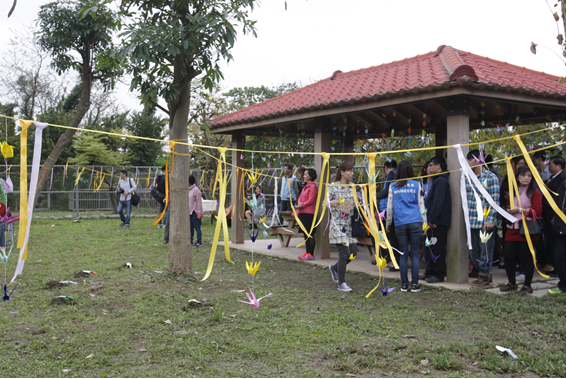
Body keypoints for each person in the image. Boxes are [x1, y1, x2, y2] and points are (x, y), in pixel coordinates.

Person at [499, 166, 543, 295]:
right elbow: (508, 206)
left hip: (527, 229)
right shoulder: (513, 191)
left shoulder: (534, 192)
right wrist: (506, 211)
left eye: (529, 176)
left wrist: (519, 210)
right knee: (508, 256)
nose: (526, 178)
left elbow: (537, 211)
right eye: (524, 175)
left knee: (526, 258)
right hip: (512, 228)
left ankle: (527, 285)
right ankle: (511, 283)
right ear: (517, 177)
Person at [386, 160, 427, 293]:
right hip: (416, 221)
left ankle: (404, 284)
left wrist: (388, 222)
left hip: (400, 223)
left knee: (403, 254)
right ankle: (415, 284)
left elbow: (389, 207)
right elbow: (422, 205)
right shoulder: (417, 184)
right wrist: (424, 223)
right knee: (415, 253)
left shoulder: (393, 186)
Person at [466, 149, 500, 287]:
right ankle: (482, 273)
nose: (467, 163)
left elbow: (495, 200)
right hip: (471, 221)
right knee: (473, 252)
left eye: (469, 160)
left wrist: (490, 219)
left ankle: (484, 276)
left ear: (476, 160)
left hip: (485, 222)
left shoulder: (491, 177)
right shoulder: (467, 178)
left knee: (485, 251)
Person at [328, 162, 358, 292]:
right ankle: (341, 283)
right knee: (344, 253)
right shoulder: (332, 186)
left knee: (353, 253)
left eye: (352, 171)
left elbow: (354, 205)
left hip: (350, 227)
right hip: (337, 226)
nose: (352, 173)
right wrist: (330, 203)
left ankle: (335, 268)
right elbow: (325, 202)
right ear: (342, 172)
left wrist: (345, 205)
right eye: (349, 171)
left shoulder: (353, 187)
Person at [422, 156, 451, 283]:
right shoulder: (437, 180)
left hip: (437, 222)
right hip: (432, 220)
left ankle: (439, 273)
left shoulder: (441, 181)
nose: (429, 168)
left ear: (438, 166)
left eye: (431, 165)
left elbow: (438, 202)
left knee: (437, 247)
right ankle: (431, 271)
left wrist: (433, 220)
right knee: (431, 247)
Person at [544, 155, 566, 283]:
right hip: (552, 218)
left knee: (558, 248)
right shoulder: (552, 178)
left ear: (559, 166)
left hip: (558, 219)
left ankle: (559, 271)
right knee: (552, 244)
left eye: (551, 164)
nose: (549, 167)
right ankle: (556, 268)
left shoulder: (563, 179)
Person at [376, 159, 400, 271]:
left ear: (386, 167)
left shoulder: (391, 174)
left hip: (387, 210)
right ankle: (389, 257)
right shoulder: (398, 174)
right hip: (390, 209)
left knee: (384, 235)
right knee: (390, 236)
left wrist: (376, 196)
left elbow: (389, 190)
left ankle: (389, 258)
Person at [295, 168, 318, 261]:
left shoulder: (313, 187)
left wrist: (302, 205)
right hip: (303, 213)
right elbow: (300, 197)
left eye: (305, 174)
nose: (303, 176)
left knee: (310, 234)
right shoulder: (305, 186)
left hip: (309, 213)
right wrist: (299, 203)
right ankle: (307, 252)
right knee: (305, 234)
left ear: (310, 176)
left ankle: (311, 254)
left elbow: (311, 200)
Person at [188, 175, 204, 247]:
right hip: (189, 211)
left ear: (189, 182)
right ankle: (190, 240)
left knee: (197, 227)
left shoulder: (196, 190)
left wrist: (200, 212)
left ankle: (199, 241)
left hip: (195, 211)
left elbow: (199, 202)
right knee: (190, 227)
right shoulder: (187, 190)